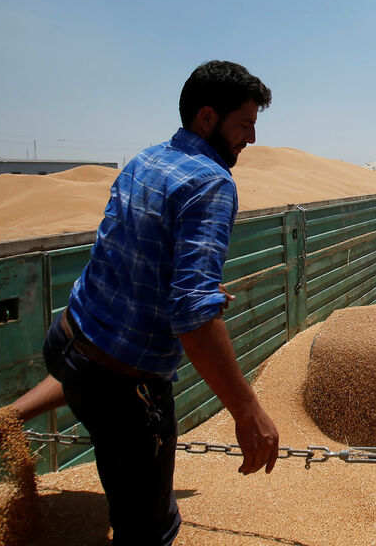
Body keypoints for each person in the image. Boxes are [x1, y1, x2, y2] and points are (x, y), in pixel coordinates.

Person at [25, 60, 279, 546]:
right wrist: (248, 413)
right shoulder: (211, 183)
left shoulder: (145, 160)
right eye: (244, 124)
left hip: (65, 344)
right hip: (123, 387)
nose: (250, 138)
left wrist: (194, 295)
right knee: (150, 530)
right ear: (208, 118)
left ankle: (6, 417)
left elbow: (132, 260)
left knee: (89, 387)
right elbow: (193, 318)